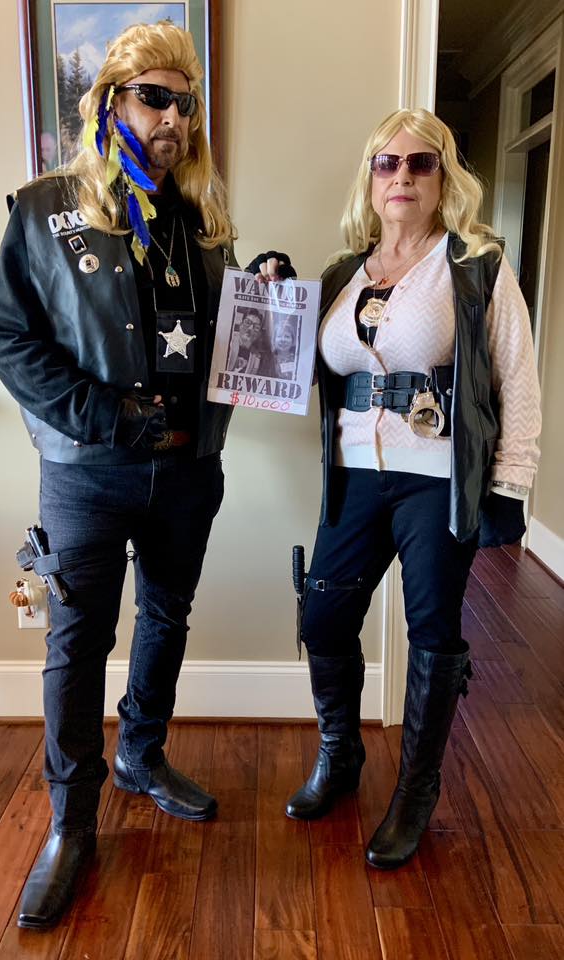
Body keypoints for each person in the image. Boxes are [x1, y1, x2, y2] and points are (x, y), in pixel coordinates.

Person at [0, 22, 291, 929]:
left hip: (190, 469)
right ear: (110, 102)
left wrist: (261, 287)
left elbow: (221, 339)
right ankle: (69, 825)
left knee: (166, 615)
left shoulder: (204, 218)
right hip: (86, 473)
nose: (174, 120)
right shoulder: (43, 209)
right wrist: (104, 415)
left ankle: (141, 754)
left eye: (185, 103)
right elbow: (8, 336)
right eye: (155, 98)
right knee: (76, 643)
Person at [285, 109, 541, 872]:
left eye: (421, 163)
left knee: (432, 630)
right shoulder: (344, 273)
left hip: (434, 478)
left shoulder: (475, 265)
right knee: (324, 617)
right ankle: (341, 754)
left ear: (443, 177)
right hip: (352, 475)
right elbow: (301, 363)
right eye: (387, 163)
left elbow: (517, 378)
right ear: (370, 178)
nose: (402, 175)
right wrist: (272, 291)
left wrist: (509, 485)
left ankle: (417, 790)